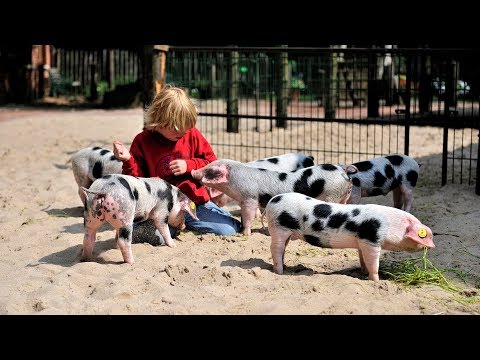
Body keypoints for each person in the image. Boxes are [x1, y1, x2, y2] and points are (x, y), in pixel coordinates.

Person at [113, 85, 242, 245]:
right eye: (176, 128)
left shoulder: (192, 134)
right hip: (161, 208)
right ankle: (163, 228)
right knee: (156, 238)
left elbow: (212, 164)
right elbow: (135, 181)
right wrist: (128, 160)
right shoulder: (142, 141)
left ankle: (188, 223)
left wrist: (189, 165)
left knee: (229, 230)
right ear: (159, 121)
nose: (182, 132)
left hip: (194, 204)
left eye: (186, 127)